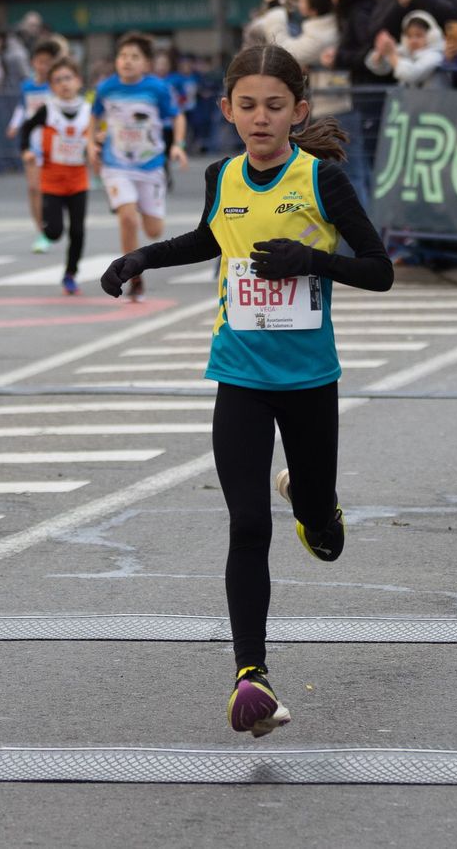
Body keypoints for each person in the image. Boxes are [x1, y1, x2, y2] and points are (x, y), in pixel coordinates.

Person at [98, 43, 393, 737]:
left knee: (322, 532)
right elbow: (210, 238)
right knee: (246, 525)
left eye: (275, 106)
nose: (261, 119)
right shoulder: (222, 174)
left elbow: (379, 270)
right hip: (239, 374)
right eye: (248, 106)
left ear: (299, 110)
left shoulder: (321, 181)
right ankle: (250, 677)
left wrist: (310, 259)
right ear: (228, 109)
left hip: (310, 379)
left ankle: (314, 504)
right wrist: (142, 257)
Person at [87, 31, 188, 302]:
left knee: (154, 230)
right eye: (122, 56)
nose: (127, 61)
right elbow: (94, 118)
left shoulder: (157, 88)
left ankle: (142, 206)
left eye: (134, 57)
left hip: (151, 165)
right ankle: (133, 277)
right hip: (116, 164)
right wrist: (91, 145)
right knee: (127, 218)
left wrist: (178, 145)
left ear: (146, 64)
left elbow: (177, 117)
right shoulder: (106, 88)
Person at [19, 56, 90, 295]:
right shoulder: (47, 109)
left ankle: (70, 274)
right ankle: (46, 231)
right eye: (58, 80)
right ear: (51, 87)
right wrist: (26, 151)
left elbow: (102, 132)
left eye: (68, 78)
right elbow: (26, 128)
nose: (64, 84)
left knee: (78, 230)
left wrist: (98, 143)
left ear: (78, 81)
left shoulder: (89, 111)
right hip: (51, 180)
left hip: (78, 179)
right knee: (54, 232)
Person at [6, 39, 61, 253]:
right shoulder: (27, 86)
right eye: (40, 62)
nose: (44, 66)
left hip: (54, 143)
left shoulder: (57, 86)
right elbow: (22, 109)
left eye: (48, 62)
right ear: (33, 63)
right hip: (32, 143)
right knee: (33, 188)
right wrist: (13, 126)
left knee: (51, 189)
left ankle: (53, 222)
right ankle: (41, 232)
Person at [365, 10, 445, 88]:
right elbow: (381, 67)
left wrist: (391, 54)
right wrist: (380, 53)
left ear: (432, 36)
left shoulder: (435, 56)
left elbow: (412, 74)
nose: (413, 41)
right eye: (409, 36)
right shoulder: (405, 51)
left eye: (419, 35)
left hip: (433, 100)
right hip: (409, 100)